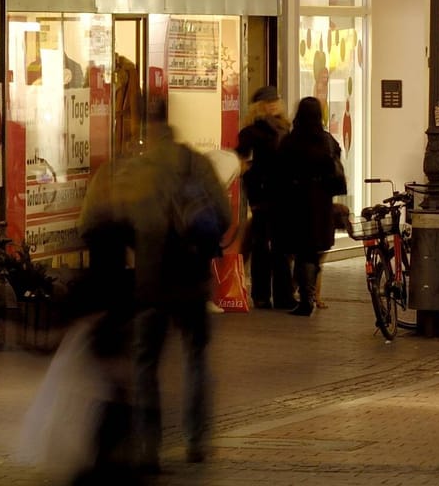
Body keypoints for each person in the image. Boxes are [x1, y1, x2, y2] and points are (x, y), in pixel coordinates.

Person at [93, 120, 232, 469]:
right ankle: (196, 441)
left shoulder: (140, 170)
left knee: (146, 364)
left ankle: (148, 446)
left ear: (150, 135)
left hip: (153, 280)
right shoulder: (196, 164)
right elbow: (224, 214)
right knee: (197, 359)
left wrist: (143, 248)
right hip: (193, 279)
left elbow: (119, 220)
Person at [270, 97, 346, 317]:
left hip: (295, 202)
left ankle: (304, 298)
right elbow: (336, 160)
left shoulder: (290, 141)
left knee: (301, 250)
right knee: (312, 252)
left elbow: (280, 172)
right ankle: (309, 295)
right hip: (320, 202)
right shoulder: (327, 141)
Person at [234, 85, 291, 310]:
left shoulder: (286, 128)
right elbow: (241, 161)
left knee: (280, 245)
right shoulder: (251, 132)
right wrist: (253, 184)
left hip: (284, 194)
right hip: (263, 194)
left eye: (275, 100)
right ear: (259, 106)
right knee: (261, 245)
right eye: (268, 102)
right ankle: (262, 295)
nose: (273, 104)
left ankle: (283, 294)